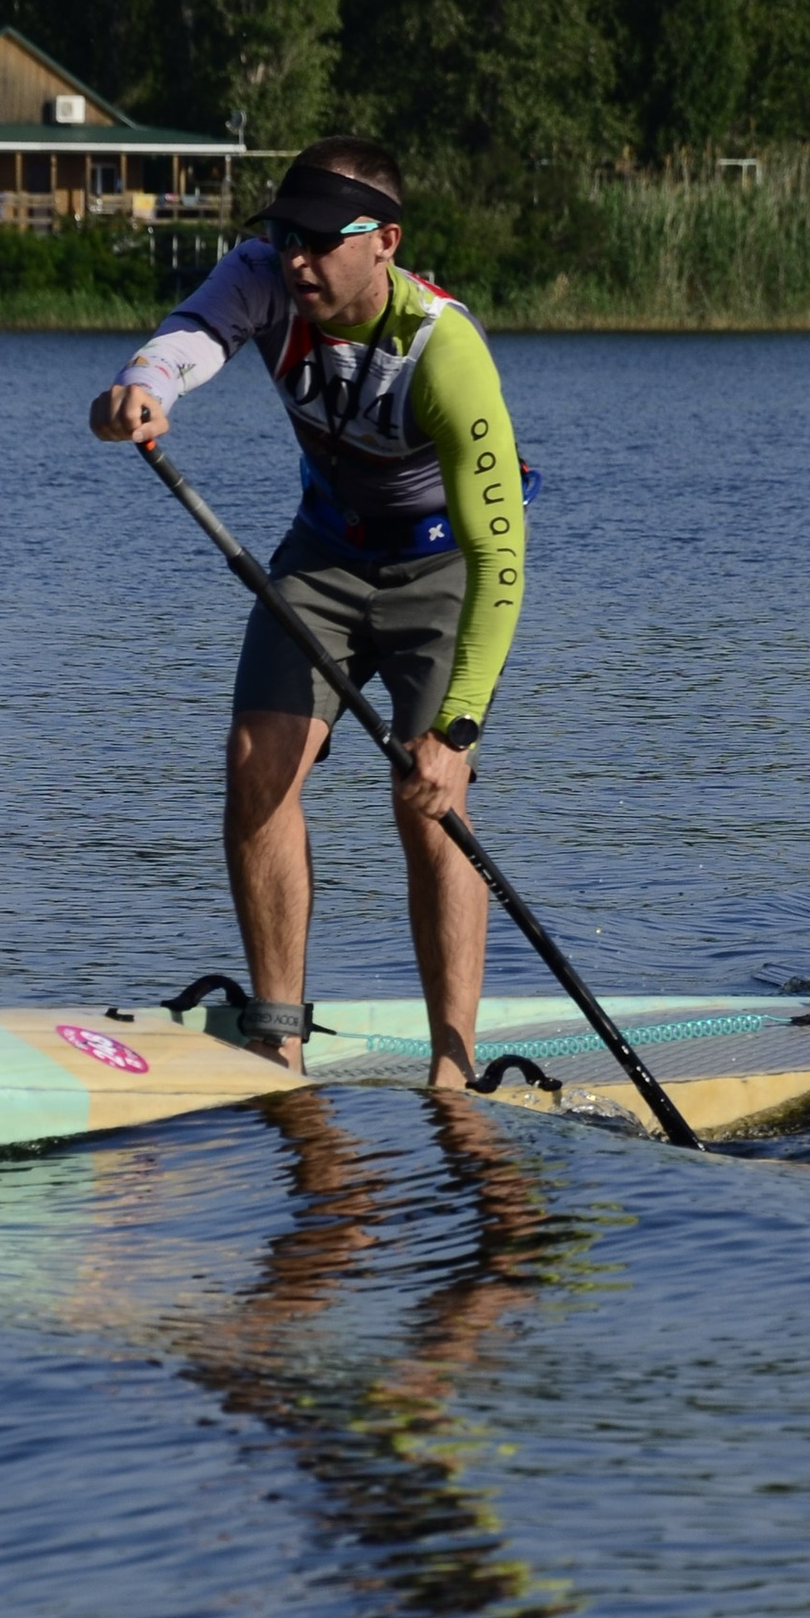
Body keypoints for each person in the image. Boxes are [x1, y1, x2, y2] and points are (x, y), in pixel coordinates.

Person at [88, 137, 530, 1092]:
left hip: (442, 571)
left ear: (386, 243)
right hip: (324, 557)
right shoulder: (265, 277)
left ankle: (452, 1067)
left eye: (321, 240)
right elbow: (192, 335)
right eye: (287, 234)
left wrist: (457, 732)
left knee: (428, 801)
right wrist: (142, 388)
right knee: (258, 763)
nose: (296, 257)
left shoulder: (444, 351)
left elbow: (502, 561)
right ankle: (278, 1038)